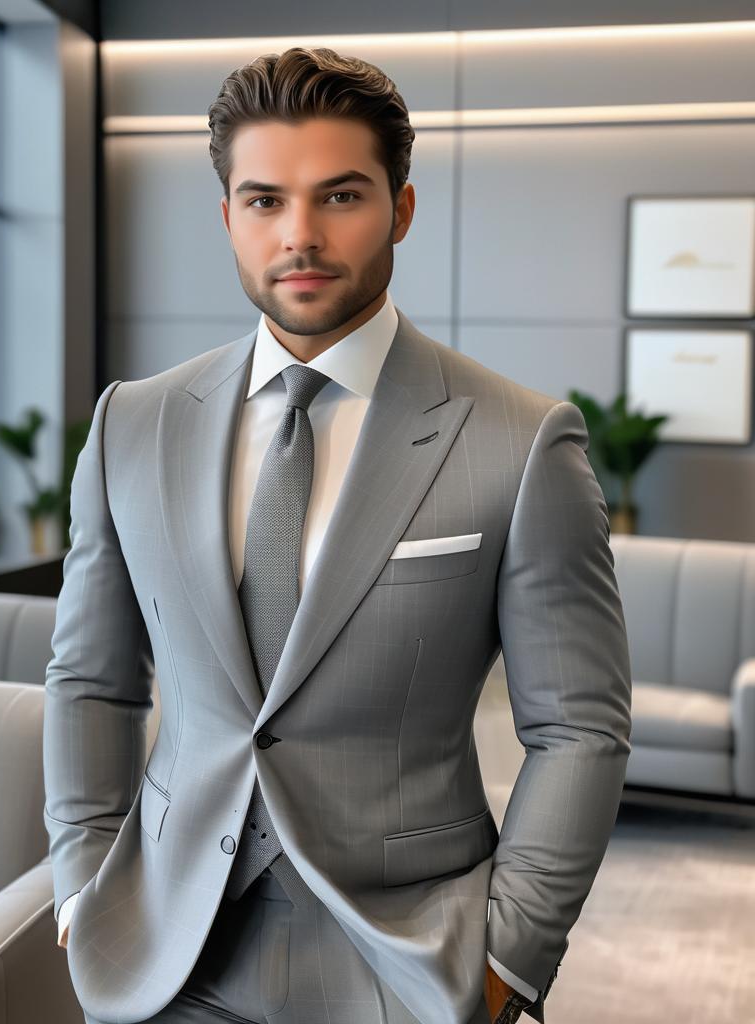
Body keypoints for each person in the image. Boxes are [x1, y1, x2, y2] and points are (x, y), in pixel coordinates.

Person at [43, 46, 632, 1024]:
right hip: (160, 955)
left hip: (406, 964)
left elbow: (578, 727)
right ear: (227, 216)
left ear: (400, 209)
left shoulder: (521, 440)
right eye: (265, 200)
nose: (300, 235)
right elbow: (89, 678)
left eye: (341, 196)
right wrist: (80, 887)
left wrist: (508, 960)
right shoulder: (131, 425)